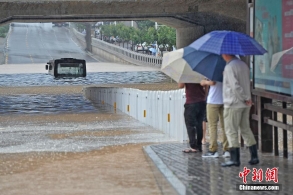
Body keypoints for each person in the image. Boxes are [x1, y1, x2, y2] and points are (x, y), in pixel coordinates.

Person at [221, 54, 259, 167]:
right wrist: (247, 99)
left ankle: (235, 158)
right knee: (245, 129)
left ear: (226, 54)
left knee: (231, 130)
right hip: (245, 104)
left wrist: (243, 97)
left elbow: (235, 86)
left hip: (233, 103)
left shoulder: (229, 67)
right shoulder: (244, 65)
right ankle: (254, 156)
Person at [200, 79, 230, 158]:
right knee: (225, 126)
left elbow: (213, 82)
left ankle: (213, 150)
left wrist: (204, 82)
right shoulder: (227, 69)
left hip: (213, 101)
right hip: (224, 100)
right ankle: (226, 149)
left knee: (212, 126)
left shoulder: (213, 70)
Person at [179, 83, 207, 153]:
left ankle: (193, 146)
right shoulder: (201, 72)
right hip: (202, 101)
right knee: (199, 124)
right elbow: (206, 85)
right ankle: (199, 145)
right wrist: (205, 96)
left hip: (191, 102)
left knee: (190, 125)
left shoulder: (186, 73)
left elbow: (180, 86)